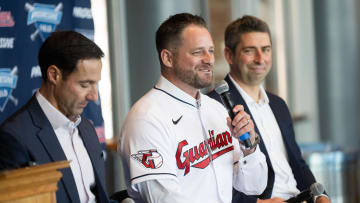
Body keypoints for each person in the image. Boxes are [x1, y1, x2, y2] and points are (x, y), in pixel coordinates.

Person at [119, 13, 268, 203]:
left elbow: (254, 186)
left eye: (211, 51)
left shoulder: (217, 109)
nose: (209, 60)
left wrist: (249, 147)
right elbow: (164, 200)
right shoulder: (145, 119)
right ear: (168, 58)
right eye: (198, 52)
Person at [207, 15, 331, 203]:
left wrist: (320, 196)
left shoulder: (278, 104)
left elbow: (298, 164)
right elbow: (211, 181)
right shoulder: (214, 106)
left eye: (266, 50)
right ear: (229, 55)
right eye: (250, 50)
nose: (260, 58)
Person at [0, 31, 113, 203]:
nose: (94, 96)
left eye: (96, 84)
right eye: (85, 84)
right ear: (54, 75)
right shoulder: (14, 137)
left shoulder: (87, 128)